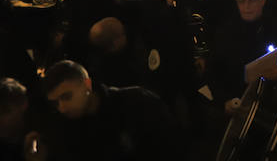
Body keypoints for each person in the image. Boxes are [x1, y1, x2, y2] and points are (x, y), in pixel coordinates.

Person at [36, 60, 181, 160]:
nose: (62, 107)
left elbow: (171, 147)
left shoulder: (137, 103)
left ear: (87, 85)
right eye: (55, 103)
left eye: (66, 97)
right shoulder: (65, 127)